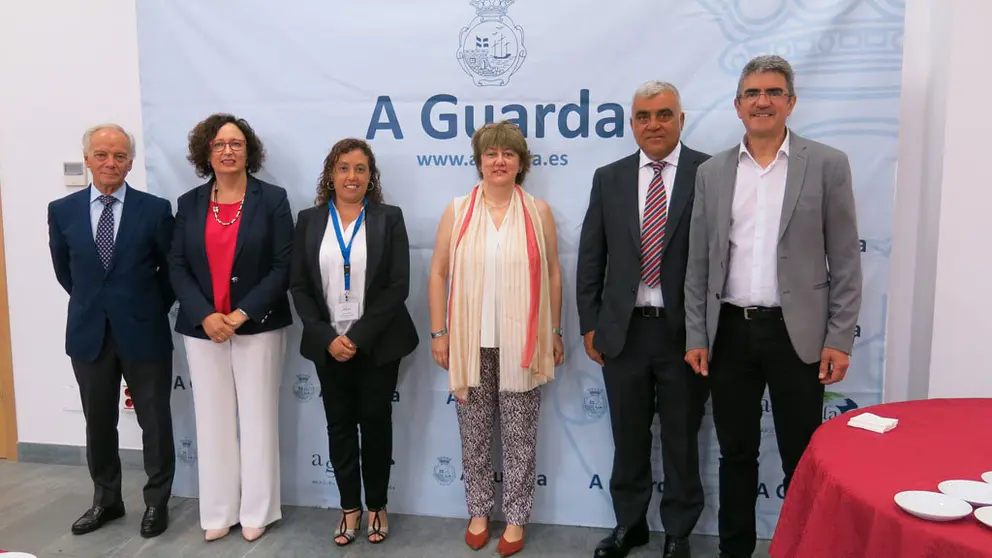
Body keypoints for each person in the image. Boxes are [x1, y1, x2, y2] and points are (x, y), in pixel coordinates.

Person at [684, 55, 863, 558]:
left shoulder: (827, 164)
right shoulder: (713, 172)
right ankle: (733, 551)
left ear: (791, 102)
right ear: (737, 105)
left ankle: (802, 549)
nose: (763, 101)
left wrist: (838, 338)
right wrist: (697, 335)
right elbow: (699, 263)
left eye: (774, 92)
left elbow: (846, 261)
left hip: (797, 337)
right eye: (753, 93)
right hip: (731, 336)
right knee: (735, 453)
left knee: (802, 458)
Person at [576, 82, 710, 558]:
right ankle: (629, 525)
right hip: (624, 333)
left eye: (664, 115)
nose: (653, 124)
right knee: (628, 438)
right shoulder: (608, 177)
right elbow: (591, 256)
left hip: (685, 335)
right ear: (631, 123)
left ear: (680, 119)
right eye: (643, 116)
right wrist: (590, 324)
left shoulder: (709, 172)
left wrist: (708, 330)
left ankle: (677, 532)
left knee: (680, 438)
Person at [428, 121, 564, 557]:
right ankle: (479, 511)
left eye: (508, 154)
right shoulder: (458, 209)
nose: (499, 161)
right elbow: (437, 273)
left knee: (521, 437)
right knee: (474, 435)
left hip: (522, 342)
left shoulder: (538, 211)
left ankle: (518, 517)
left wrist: (556, 331)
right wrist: (439, 331)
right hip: (470, 344)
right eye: (491, 154)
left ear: (521, 163)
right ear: (479, 162)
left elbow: (555, 275)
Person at [168, 113, 294, 542]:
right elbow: (177, 266)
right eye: (220, 144)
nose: (228, 150)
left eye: (236, 143)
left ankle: (258, 509)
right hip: (202, 327)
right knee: (213, 420)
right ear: (208, 152)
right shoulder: (188, 203)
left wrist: (242, 314)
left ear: (249, 151)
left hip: (258, 326)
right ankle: (219, 510)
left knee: (258, 418)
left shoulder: (272, 199)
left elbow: (283, 267)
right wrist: (206, 315)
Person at [48, 123, 175, 538]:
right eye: (101, 155)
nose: (110, 163)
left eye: (119, 156)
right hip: (89, 334)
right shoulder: (62, 210)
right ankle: (107, 500)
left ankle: (156, 504)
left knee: (154, 423)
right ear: (87, 160)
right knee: (98, 423)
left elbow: (170, 273)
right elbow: (66, 272)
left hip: (144, 332)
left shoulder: (154, 209)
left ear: (131, 163)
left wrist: (144, 308)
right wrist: (96, 305)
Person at [289, 138, 418, 546]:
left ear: (370, 177)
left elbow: (398, 286)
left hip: (377, 344)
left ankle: (377, 504)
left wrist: (357, 338)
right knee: (339, 426)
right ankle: (349, 508)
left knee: (376, 426)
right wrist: (329, 338)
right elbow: (300, 286)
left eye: (360, 169)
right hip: (328, 345)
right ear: (331, 174)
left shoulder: (388, 218)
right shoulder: (309, 220)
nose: (352, 176)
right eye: (344, 167)